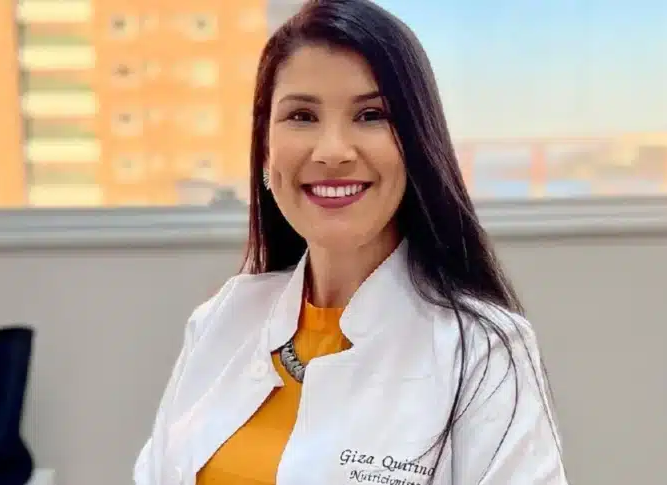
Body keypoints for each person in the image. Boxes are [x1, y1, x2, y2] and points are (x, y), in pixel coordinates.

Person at [134, 0, 567, 484]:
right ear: (266, 148)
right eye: (302, 116)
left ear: (417, 144)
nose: (333, 151)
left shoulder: (484, 351)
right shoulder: (219, 321)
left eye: (370, 115)